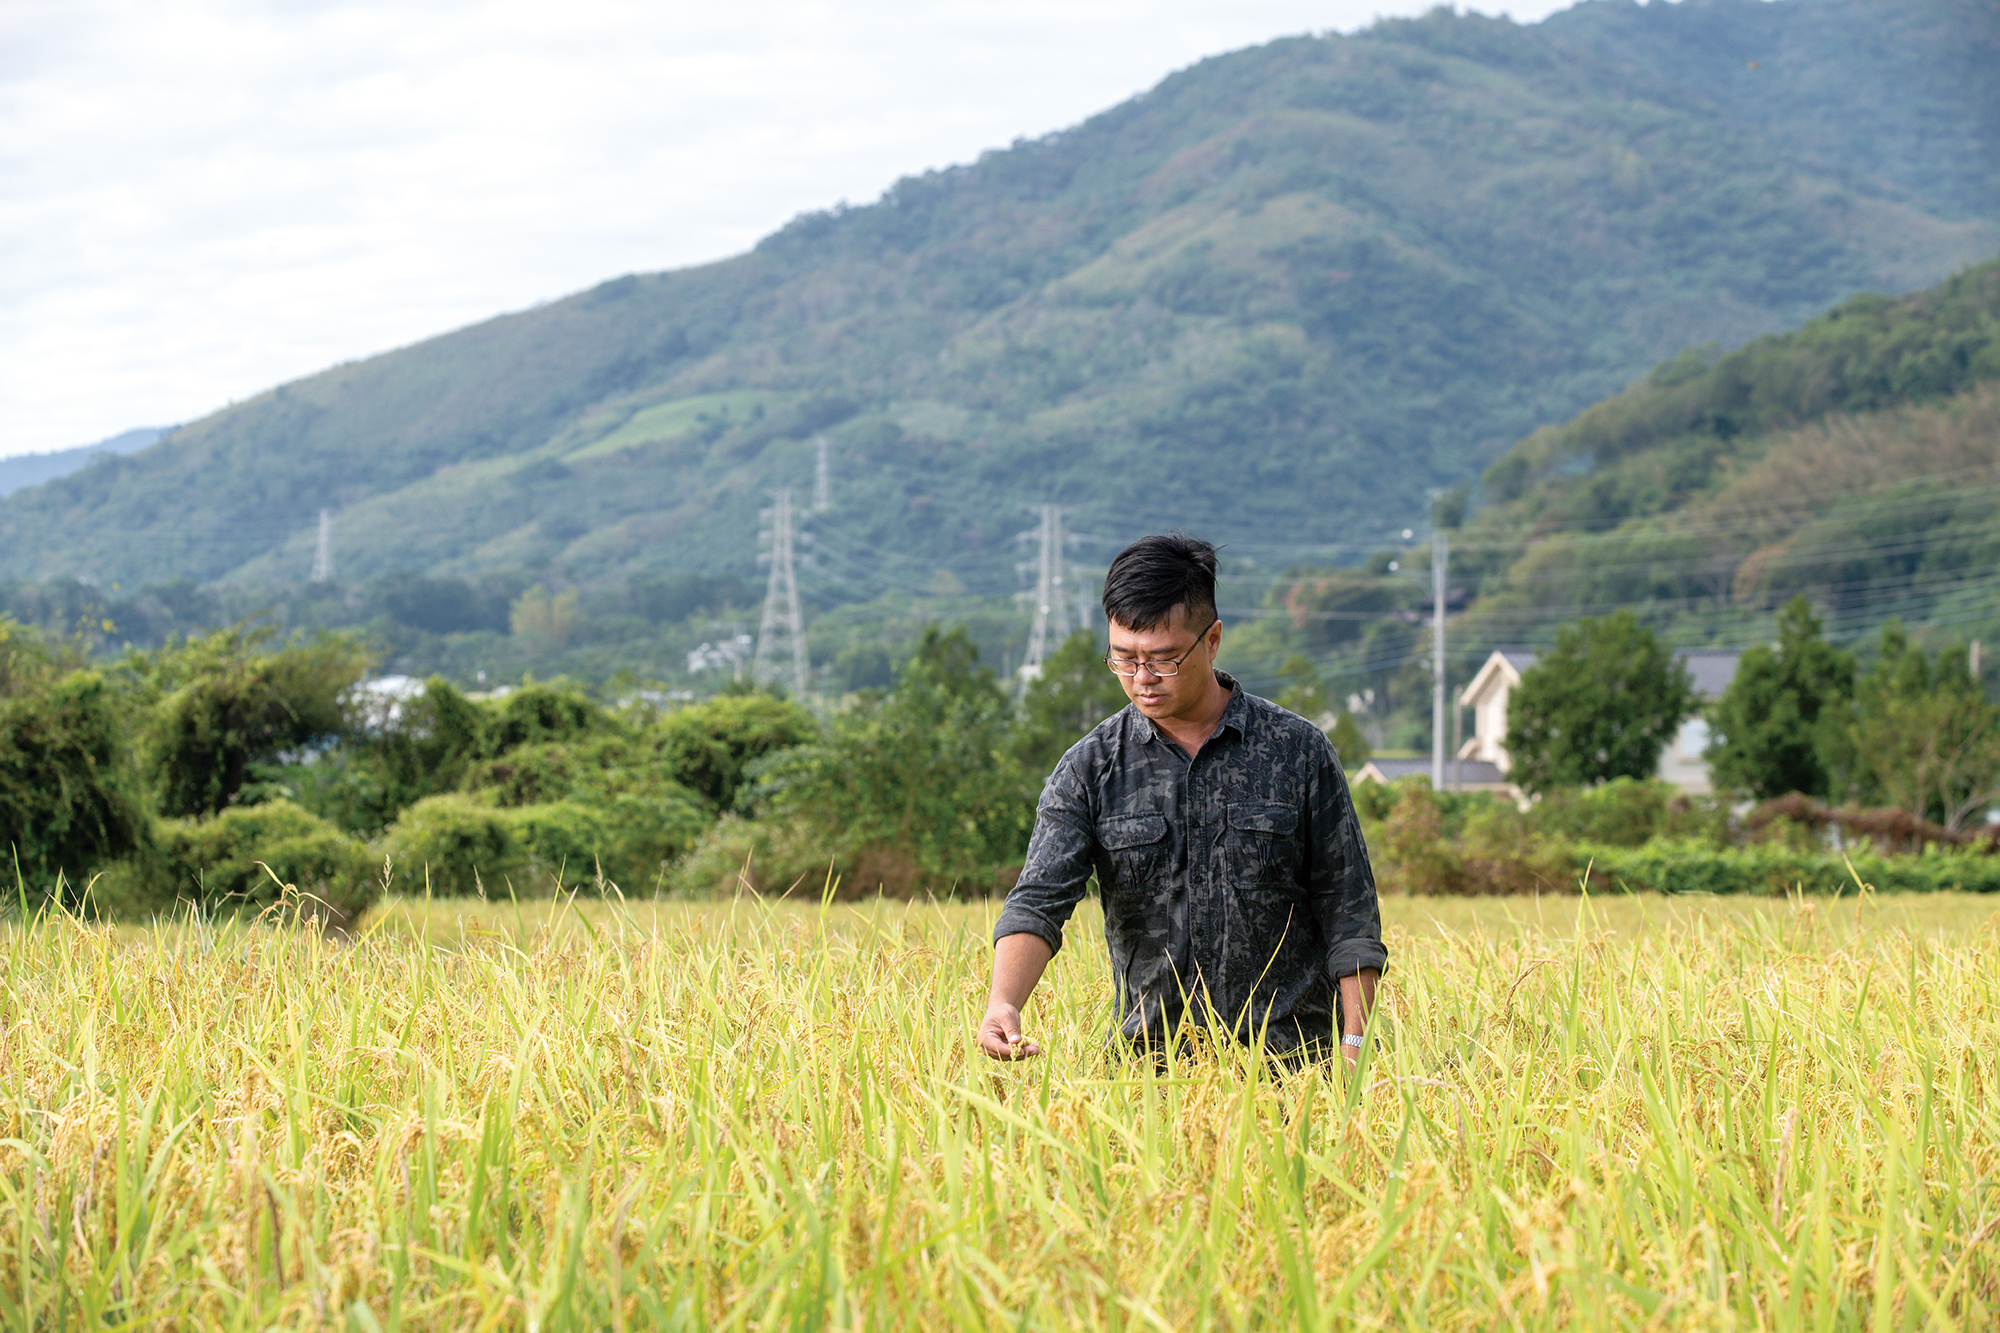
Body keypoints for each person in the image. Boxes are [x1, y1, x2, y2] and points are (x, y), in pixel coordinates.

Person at [978, 532, 1386, 1066]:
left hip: (1294, 1068)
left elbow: (1349, 910)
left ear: (1211, 640)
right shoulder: (1090, 769)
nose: (1142, 679)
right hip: (1149, 1075)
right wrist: (1003, 1003)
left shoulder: (1298, 752)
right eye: (1123, 659)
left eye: (1163, 660)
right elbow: (1039, 900)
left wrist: (1355, 1044)